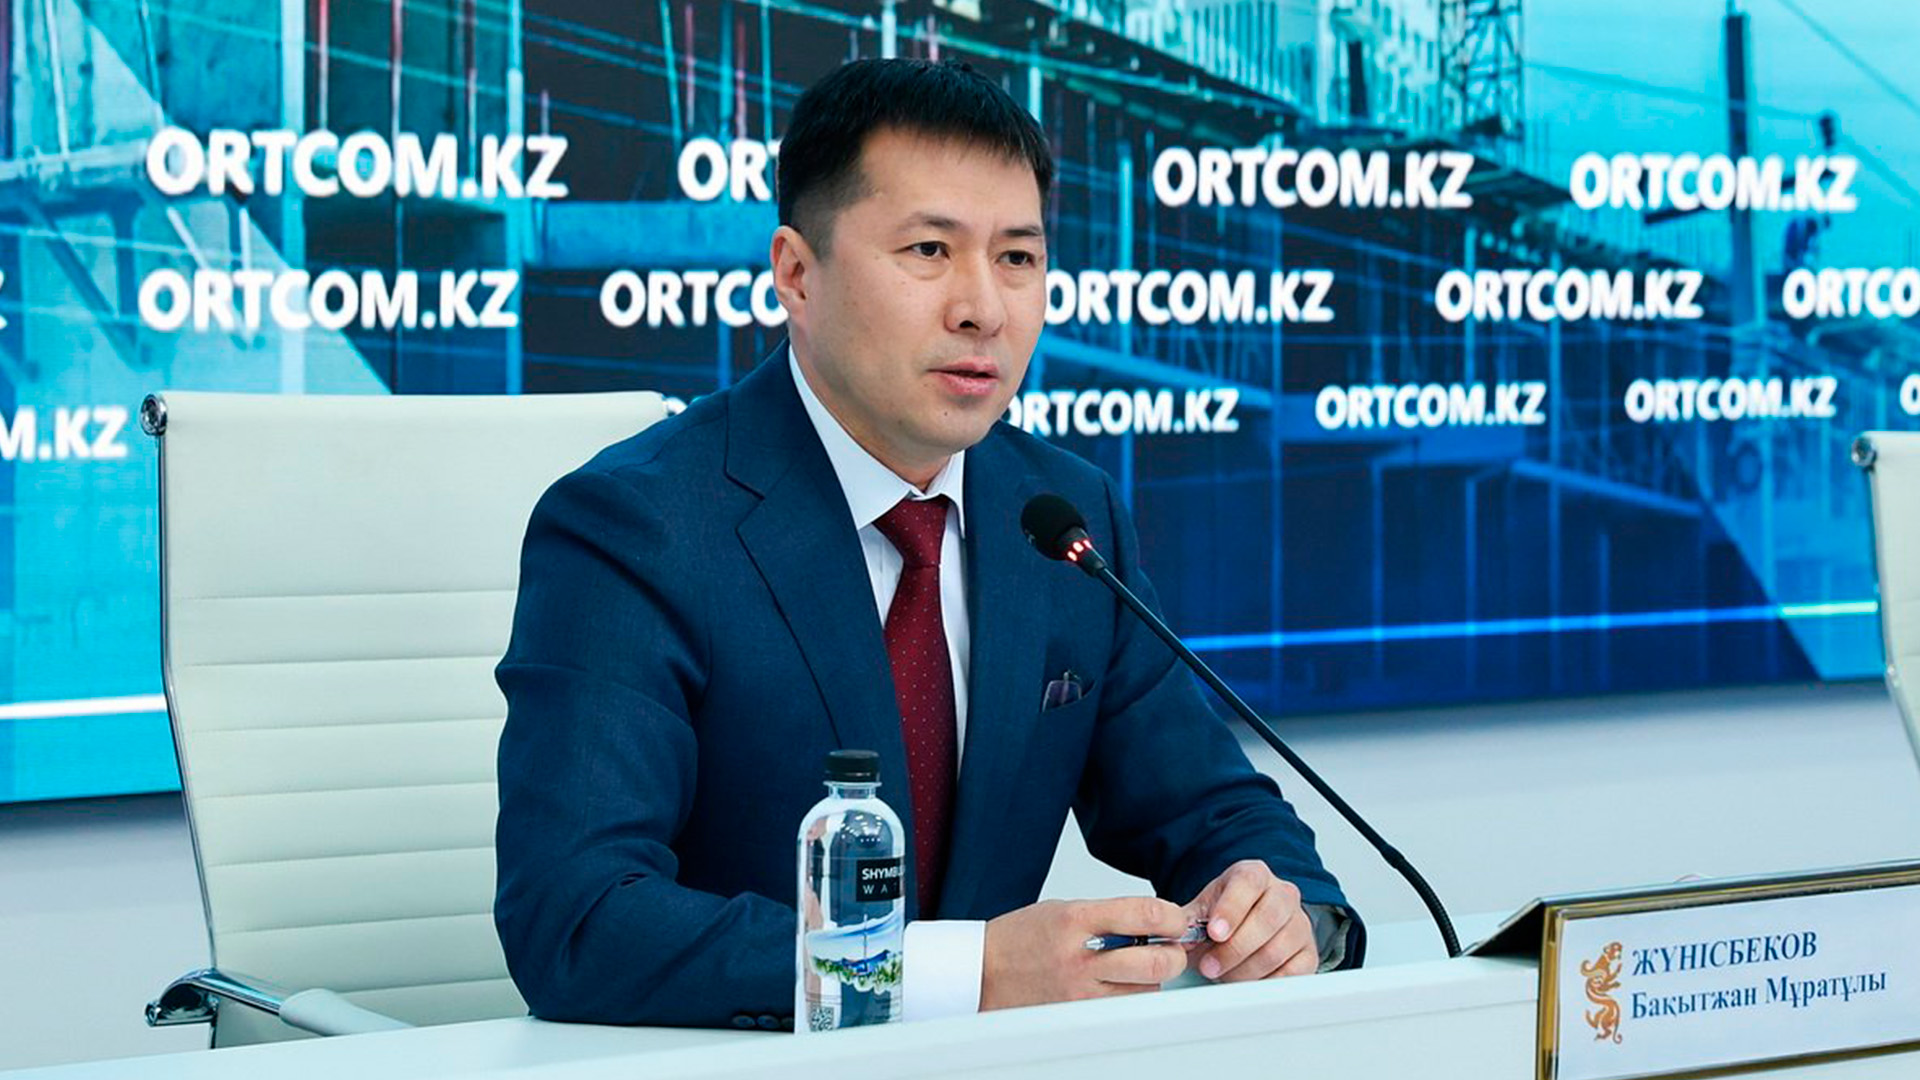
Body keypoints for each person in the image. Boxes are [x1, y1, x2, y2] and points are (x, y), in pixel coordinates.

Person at [494, 58, 1362, 1031]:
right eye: (929, 250)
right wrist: (966, 974)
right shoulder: (635, 526)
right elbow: (576, 921)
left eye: (1018, 258)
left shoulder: (1062, 516)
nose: (983, 307)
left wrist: (1286, 912)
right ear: (796, 274)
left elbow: (1211, 809)